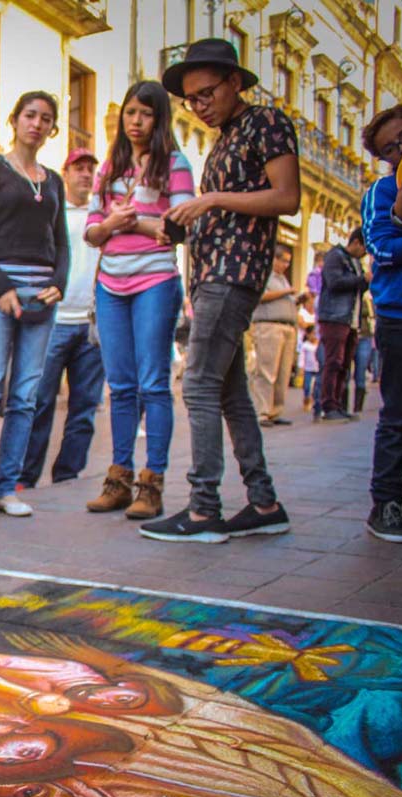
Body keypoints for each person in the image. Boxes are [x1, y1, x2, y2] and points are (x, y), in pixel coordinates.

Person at [144, 38, 297, 542]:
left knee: (200, 385)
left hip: (233, 275)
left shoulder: (266, 122)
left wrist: (208, 199)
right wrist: (182, 224)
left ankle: (204, 509)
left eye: (207, 93)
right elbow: (229, 209)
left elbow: (286, 197)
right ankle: (263, 501)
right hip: (213, 272)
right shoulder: (225, 137)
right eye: (191, 100)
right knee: (230, 393)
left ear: (236, 81)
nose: (199, 106)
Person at [82, 81, 194, 521]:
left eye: (145, 113)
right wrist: (113, 222)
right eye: (130, 112)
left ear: (159, 118)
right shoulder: (109, 168)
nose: (136, 121)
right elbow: (92, 234)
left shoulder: (175, 165)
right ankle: (119, 479)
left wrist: (138, 226)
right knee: (121, 386)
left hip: (154, 281)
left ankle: (153, 483)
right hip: (111, 285)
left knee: (153, 383)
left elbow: (178, 226)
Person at [0, 91, 69, 523]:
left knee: (26, 397)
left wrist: (59, 283)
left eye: (46, 118)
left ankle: (7, 488)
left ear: (51, 128)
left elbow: (61, 242)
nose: (37, 124)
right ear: (14, 119)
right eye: (30, 115)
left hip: (42, 295)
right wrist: (1, 285)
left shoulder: (54, 180)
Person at [19, 148, 104, 491]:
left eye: (90, 170)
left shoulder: (102, 218)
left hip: (92, 324)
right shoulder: (53, 212)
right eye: (78, 168)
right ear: (65, 173)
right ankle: (26, 476)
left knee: (84, 407)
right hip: (53, 321)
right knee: (39, 402)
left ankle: (67, 475)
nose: (85, 174)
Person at [359, 103, 402, 541]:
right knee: (397, 413)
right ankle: (386, 501)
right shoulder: (383, 192)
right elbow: (384, 250)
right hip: (399, 315)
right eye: (392, 148)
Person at [317, 228, 367, 423]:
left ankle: (337, 404)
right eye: (363, 248)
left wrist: (366, 281)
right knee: (333, 362)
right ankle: (328, 405)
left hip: (350, 319)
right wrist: (362, 279)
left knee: (345, 364)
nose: (364, 253)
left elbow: (359, 289)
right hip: (334, 317)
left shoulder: (356, 263)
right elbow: (334, 282)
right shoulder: (335, 256)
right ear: (355, 242)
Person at [248, 242, 298, 427]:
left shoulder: (283, 278)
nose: (286, 265)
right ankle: (263, 411)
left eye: (288, 262)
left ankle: (276, 411)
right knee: (266, 371)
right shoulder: (265, 276)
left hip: (286, 326)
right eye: (283, 261)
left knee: (283, 373)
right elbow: (260, 296)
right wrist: (287, 292)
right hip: (269, 326)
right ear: (274, 259)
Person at [299, 324, 320, 412]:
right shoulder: (305, 345)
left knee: (317, 387)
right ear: (307, 335)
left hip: (317, 368)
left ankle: (315, 401)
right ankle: (306, 400)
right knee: (307, 386)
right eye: (312, 334)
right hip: (308, 369)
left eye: (315, 334)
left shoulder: (319, 346)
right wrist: (301, 368)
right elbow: (302, 357)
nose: (313, 336)